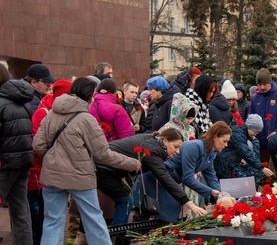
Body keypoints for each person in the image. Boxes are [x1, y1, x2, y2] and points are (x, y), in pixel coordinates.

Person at [32, 77, 141, 245]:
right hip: (80, 176)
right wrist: (131, 163)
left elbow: (38, 145)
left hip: (52, 175)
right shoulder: (86, 119)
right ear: (90, 94)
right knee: (93, 220)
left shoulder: (52, 113)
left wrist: (53, 158)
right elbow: (103, 153)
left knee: (52, 221)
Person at [95, 128, 207, 225]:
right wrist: (191, 205)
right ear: (165, 140)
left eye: (179, 149)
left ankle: (111, 235)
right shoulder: (154, 150)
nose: (177, 152)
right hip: (102, 168)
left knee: (124, 200)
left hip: (105, 167)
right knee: (126, 200)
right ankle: (115, 236)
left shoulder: (153, 142)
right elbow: (165, 179)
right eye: (175, 147)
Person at [139, 121, 232, 222]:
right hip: (160, 180)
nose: (226, 145)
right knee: (157, 219)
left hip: (173, 182)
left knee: (169, 220)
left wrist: (224, 196)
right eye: (224, 141)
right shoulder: (195, 147)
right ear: (215, 137)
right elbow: (187, 178)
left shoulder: (211, 153)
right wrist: (211, 191)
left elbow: (211, 177)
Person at [29, 80, 72, 245]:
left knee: (51, 217)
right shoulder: (44, 112)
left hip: (54, 170)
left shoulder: (62, 112)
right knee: (42, 216)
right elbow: (37, 144)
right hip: (39, 172)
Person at [0, 64, 35, 245]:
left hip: (4, 163)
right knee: (20, 210)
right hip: (22, 161)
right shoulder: (21, 100)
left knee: (20, 209)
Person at [214, 114, 273, 182]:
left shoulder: (240, 132)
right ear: (250, 127)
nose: (256, 134)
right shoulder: (239, 135)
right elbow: (245, 152)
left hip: (226, 164)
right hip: (224, 165)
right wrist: (262, 168)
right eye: (255, 131)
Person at [249, 68, 277, 163]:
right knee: (262, 173)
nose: (262, 87)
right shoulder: (255, 98)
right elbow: (250, 117)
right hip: (259, 143)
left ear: (270, 82)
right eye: (259, 84)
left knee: (276, 173)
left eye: (264, 84)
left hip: (276, 142)